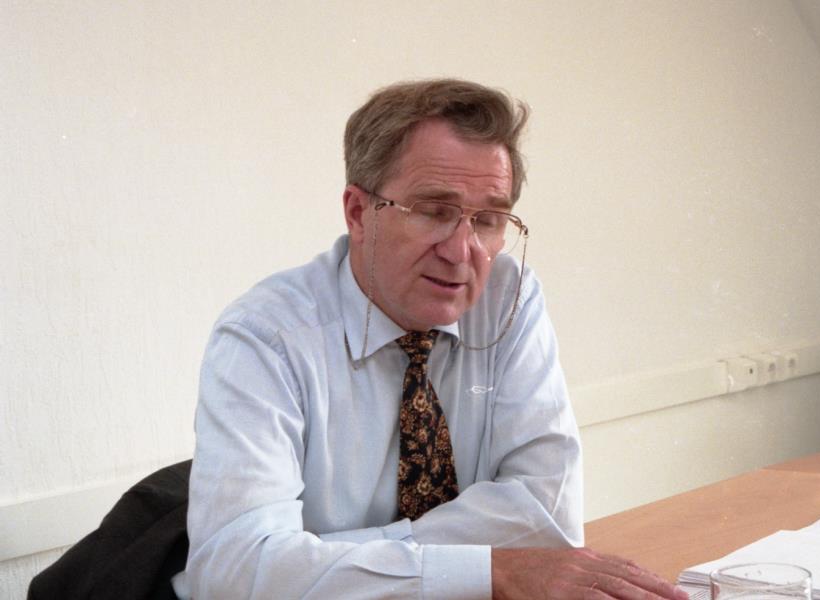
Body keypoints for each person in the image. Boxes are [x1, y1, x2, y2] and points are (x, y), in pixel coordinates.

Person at [174, 78, 687, 599]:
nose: (462, 251)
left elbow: (547, 520)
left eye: (488, 220)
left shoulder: (506, 298)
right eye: (434, 212)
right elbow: (234, 575)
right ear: (358, 213)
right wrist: (490, 570)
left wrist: (330, 561)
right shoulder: (266, 338)